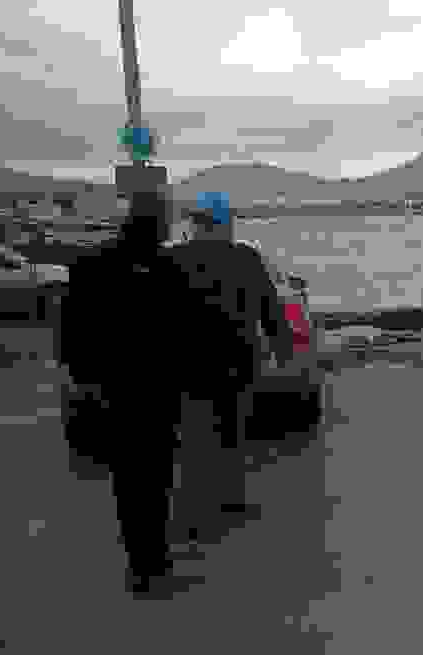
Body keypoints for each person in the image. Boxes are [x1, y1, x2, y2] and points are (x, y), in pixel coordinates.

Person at [60, 190, 193, 595]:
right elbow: (184, 333)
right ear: (157, 222)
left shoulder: (92, 265)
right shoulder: (169, 269)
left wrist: (83, 380)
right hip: (155, 392)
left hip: (112, 390)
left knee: (129, 479)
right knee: (155, 477)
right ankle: (154, 563)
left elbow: (70, 330)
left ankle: (143, 563)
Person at [166, 205, 293, 545]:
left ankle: (191, 517)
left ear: (195, 226)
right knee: (233, 431)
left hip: (188, 364)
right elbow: (269, 307)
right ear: (223, 226)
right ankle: (229, 502)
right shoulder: (245, 258)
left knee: (193, 439)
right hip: (238, 359)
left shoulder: (173, 258)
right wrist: (283, 350)